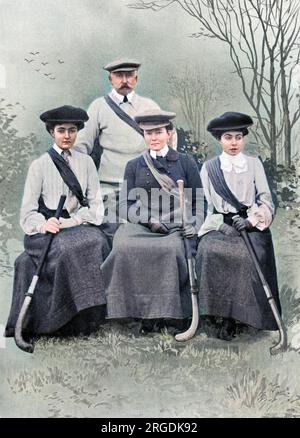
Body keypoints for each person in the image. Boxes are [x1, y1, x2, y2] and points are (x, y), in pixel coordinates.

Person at [5, 105, 110, 338]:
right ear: (52, 132)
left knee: (97, 242)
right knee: (66, 248)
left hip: (75, 224)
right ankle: (62, 321)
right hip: (46, 231)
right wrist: (44, 224)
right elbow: (27, 212)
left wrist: (72, 221)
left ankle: (90, 317)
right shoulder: (39, 165)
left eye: (72, 130)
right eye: (61, 130)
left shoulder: (86, 163)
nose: (67, 136)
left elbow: (95, 206)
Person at [100, 109, 203, 333]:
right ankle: (130, 313)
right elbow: (125, 204)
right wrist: (148, 220)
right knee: (124, 248)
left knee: (172, 250)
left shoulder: (186, 163)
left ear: (169, 133)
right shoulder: (134, 165)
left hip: (176, 227)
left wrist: (193, 225)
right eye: (148, 134)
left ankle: (169, 316)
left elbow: (199, 202)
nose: (153, 138)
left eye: (158, 132)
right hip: (142, 226)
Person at [195, 111, 281, 341]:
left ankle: (244, 316)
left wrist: (252, 220)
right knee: (209, 251)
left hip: (251, 224)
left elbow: (266, 200)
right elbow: (204, 206)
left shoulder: (253, 165)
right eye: (228, 138)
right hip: (220, 224)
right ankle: (219, 315)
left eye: (238, 137)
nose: (234, 143)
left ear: (244, 138)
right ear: (219, 140)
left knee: (245, 256)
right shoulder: (209, 168)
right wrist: (220, 227)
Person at [74, 58, 176, 243]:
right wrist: (83, 180)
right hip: (108, 187)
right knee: (111, 233)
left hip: (144, 186)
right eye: (119, 75)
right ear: (110, 79)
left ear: (136, 78)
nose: (124, 80)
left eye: (129, 75)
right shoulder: (99, 106)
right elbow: (81, 147)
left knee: (156, 232)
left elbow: (168, 140)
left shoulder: (149, 106)